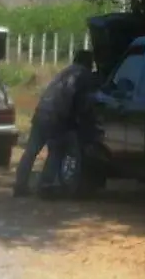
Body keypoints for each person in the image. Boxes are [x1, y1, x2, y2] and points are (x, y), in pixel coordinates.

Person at [13, 49, 96, 198]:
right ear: (89, 62)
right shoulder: (84, 75)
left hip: (41, 113)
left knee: (31, 151)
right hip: (57, 117)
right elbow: (79, 102)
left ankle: (20, 185)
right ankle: (46, 185)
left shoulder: (65, 72)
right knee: (56, 151)